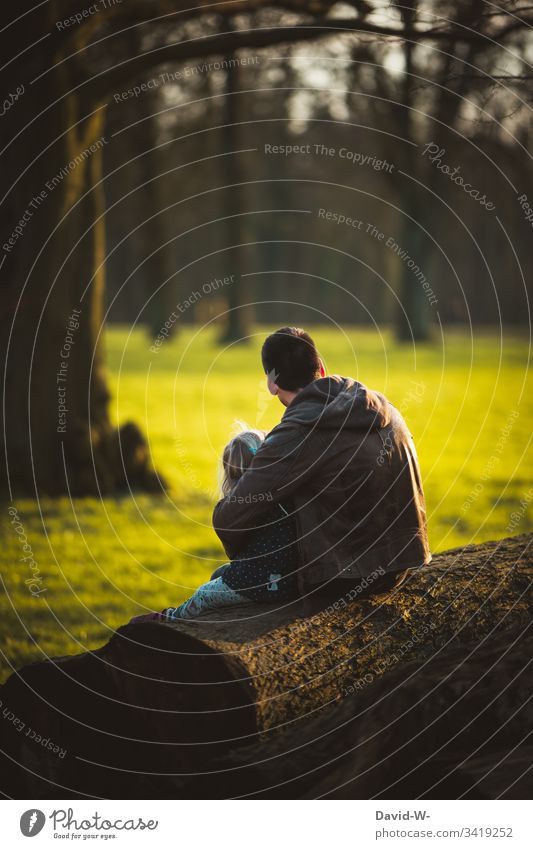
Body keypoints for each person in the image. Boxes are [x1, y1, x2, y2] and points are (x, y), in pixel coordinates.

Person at [213, 327, 431, 611]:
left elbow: (231, 518)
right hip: (401, 564)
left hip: (341, 580)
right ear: (321, 368)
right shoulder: (385, 408)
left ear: (271, 383)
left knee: (221, 579)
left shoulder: (296, 432)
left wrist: (245, 559)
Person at [135, 425, 300, 623]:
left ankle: (170, 618)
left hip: (258, 582)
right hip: (287, 580)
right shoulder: (284, 496)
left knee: (203, 594)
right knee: (219, 574)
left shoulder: (234, 509)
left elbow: (234, 552)